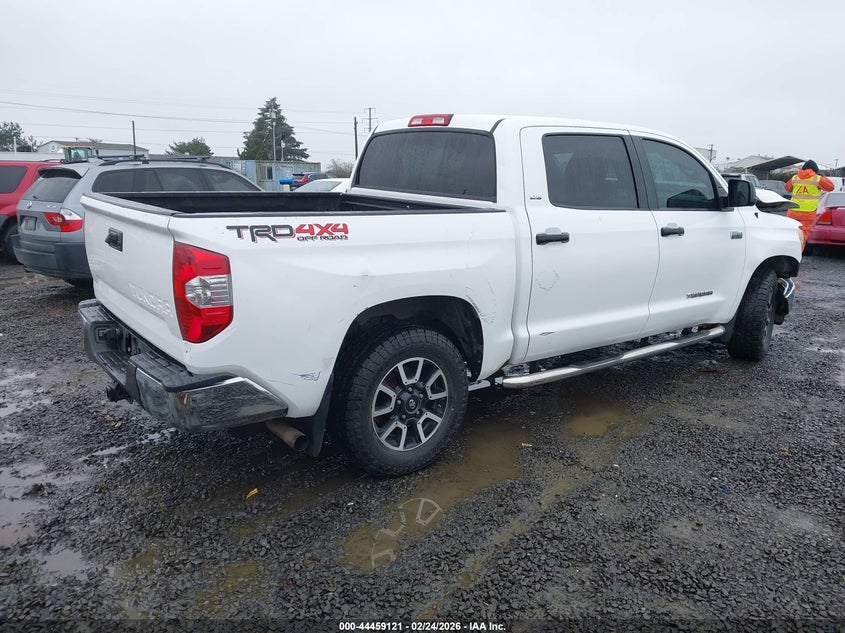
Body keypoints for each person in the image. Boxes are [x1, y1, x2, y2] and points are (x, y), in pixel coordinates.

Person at [785, 160, 834, 251]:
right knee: (802, 236)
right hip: (807, 213)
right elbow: (831, 187)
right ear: (815, 169)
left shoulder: (795, 178)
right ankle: (796, 256)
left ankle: (787, 253)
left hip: (792, 211)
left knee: (790, 233)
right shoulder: (817, 178)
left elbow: (787, 188)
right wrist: (822, 176)